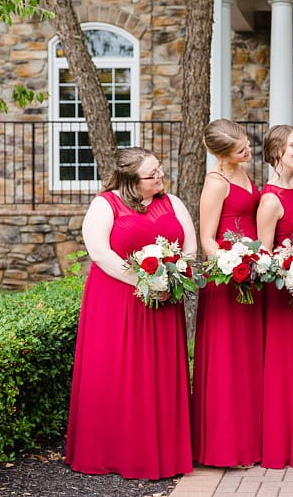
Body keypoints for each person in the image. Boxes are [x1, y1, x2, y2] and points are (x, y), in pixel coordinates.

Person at [66, 148, 196, 479]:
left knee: (158, 375)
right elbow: (99, 252)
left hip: (164, 303)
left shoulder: (173, 202)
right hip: (117, 301)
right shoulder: (105, 204)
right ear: (130, 179)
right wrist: (143, 280)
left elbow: (190, 247)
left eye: (160, 170)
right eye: (152, 174)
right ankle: (115, 452)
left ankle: (163, 452)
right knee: (117, 374)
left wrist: (173, 276)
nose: (160, 177)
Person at [192, 119, 263, 467]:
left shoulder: (244, 174)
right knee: (227, 360)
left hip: (251, 274)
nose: (248, 151)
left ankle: (251, 441)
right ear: (221, 155)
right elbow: (207, 237)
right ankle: (225, 446)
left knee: (249, 358)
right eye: (240, 150)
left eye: (246, 144)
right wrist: (231, 263)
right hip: (228, 280)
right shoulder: (216, 184)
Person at [256, 124, 293, 469]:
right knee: (285, 368)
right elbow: (264, 254)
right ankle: (284, 444)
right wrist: (289, 269)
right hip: (283, 294)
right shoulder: (269, 200)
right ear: (276, 151)